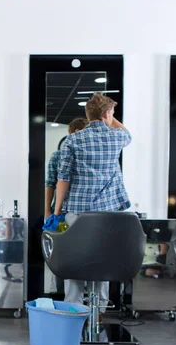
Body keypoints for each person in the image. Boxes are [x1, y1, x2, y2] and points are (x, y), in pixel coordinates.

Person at [53, 94, 131, 309]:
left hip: (76, 212)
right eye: (111, 113)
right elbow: (127, 133)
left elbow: (63, 178)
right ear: (106, 114)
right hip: (106, 215)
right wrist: (109, 118)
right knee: (101, 260)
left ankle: (73, 307)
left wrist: (58, 210)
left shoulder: (72, 140)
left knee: (74, 258)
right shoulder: (116, 137)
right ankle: (100, 308)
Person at [45, 118, 88, 220]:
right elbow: (50, 184)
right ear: (77, 132)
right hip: (63, 210)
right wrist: (47, 210)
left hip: (86, 209)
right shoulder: (57, 156)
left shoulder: (90, 155)